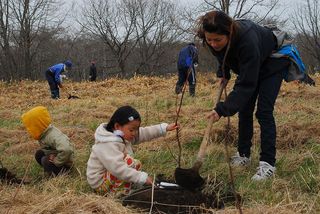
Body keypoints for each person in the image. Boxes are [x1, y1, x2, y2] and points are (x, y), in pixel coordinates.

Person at [196, 10, 292, 181]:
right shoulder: (212, 40)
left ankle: (267, 164)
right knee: (245, 110)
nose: (213, 44)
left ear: (230, 33)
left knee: (263, 111)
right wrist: (223, 72)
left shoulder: (247, 42)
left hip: (273, 61)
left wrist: (222, 109)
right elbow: (223, 56)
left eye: (217, 40)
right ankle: (243, 154)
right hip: (251, 64)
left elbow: (246, 84)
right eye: (209, 40)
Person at [86, 105, 178, 196]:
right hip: (100, 183)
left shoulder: (122, 134)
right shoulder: (107, 144)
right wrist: (141, 177)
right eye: (131, 130)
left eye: (136, 129)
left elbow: (144, 132)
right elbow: (119, 169)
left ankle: (127, 186)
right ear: (117, 126)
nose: (134, 133)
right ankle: (119, 195)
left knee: (136, 163)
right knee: (128, 163)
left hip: (111, 174)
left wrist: (164, 128)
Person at [21, 106, 74, 177]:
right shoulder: (44, 133)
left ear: (37, 125)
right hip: (56, 155)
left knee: (44, 160)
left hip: (64, 163)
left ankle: (62, 173)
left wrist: (57, 161)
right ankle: (50, 170)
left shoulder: (52, 135)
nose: (29, 130)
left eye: (30, 127)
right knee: (39, 154)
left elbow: (67, 149)